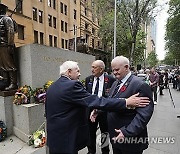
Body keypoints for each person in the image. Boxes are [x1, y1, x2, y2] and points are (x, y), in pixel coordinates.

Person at [45, 61, 150, 154]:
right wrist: (126, 102)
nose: (80, 74)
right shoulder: (71, 85)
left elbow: (144, 114)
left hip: (55, 136)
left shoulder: (53, 86)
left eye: (117, 69)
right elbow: (95, 100)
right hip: (67, 137)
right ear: (68, 72)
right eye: (77, 71)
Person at [91, 56, 154, 154]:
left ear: (126, 67)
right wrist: (99, 111)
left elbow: (143, 115)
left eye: (117, 69)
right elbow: (111, 102)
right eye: (113, 70)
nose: (115, 72)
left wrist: (127, 132)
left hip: (130, 140)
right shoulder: (116, 83)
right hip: (116, 136)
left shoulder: (140, 85)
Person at [85, 60, 116, 154]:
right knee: (90, 132)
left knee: (105, 133)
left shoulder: (111, 80)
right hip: (91, 111)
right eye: (92, 67)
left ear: (101, 69)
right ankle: (91, 151)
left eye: (94, 67)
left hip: (104, 111)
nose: (92, 69)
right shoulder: (88, 79)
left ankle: (105, 151)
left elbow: (111, 96)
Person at [0, 4, 17, 91]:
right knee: (2, 65)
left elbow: (11, 32)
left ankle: (13, 83)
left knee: (9, 64)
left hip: (5, 45)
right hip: (0, 45)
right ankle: (5, 81)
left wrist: (10, 45)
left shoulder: (7, 19)